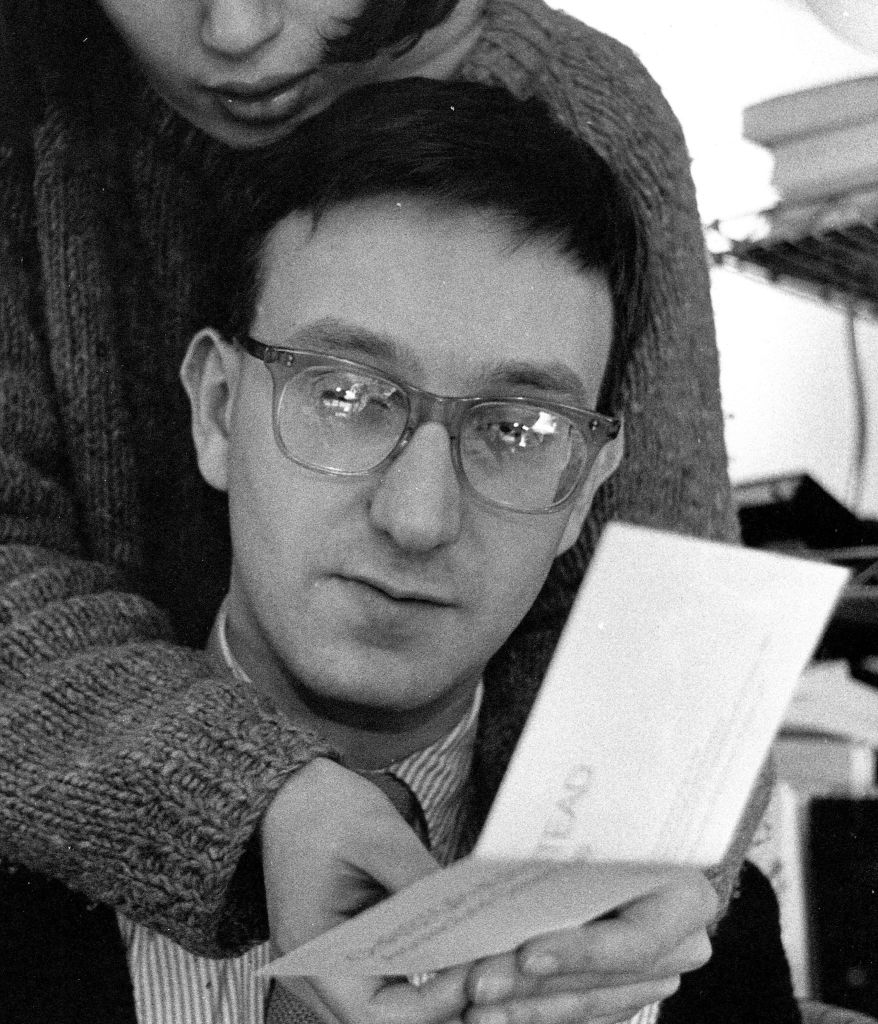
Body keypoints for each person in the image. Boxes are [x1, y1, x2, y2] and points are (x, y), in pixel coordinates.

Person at [0, 1, 791, 1022]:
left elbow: (672, 609)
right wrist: (253, 800)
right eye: (341, 396)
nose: (418, 519)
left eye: (517, 430)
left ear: (587, 488)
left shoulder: (590, 104)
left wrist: (604, 900)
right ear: (217, 407)